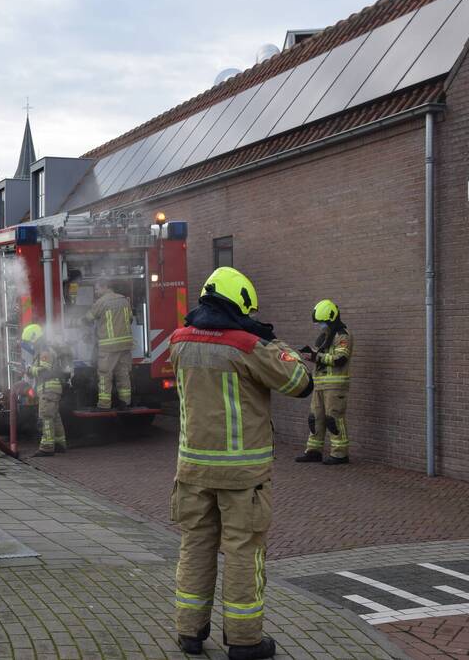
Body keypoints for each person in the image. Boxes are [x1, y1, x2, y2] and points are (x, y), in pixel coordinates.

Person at [168, 267, 313, 659]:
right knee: (243, 551)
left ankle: (189, 633)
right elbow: (300, 382)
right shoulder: (247, 345)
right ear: (241, 303)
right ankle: (246, 641)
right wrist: (271, 340)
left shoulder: (179, 341)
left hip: (192, 469)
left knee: (195, 545)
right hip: (241, 474)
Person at [295, 300, 353, 465]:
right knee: (315, 419)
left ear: (331, 318)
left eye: (323, 322)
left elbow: (341, 359)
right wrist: (310, 354)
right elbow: (322, 357)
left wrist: (316, 356)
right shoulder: (325, 336)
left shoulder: (343, 335)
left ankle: (340, 454)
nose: (321, 326)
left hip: (335, 386)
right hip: (319, 384)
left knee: (333, 419)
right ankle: (313, 451)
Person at [83, 279, 134, 409]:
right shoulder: (124, 301)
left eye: (97, 289)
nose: (96, 292)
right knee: (123, 374)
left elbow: (88, 318)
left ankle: (104, 404)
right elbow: (131, 319)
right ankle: (125, 402)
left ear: (105, 287)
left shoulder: (101, 302)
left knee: (105, 374)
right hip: (125, 346)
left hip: (108, 347)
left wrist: (76, 321)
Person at [22, 323, 68, 457]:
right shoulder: (44, 350)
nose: (29, 345)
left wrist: (30, 370)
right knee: (55, 417)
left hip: (49, 388)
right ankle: (60, 443)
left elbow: (44, 372)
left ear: (34, 338)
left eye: (29, 342)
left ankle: (47, 447)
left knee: (46, 417)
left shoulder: (45, 352)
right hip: (50, 389)